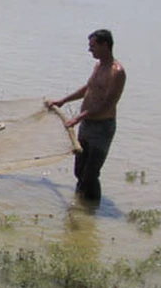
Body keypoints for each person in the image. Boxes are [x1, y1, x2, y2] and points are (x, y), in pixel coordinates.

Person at [46, 29, 126, 202]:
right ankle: (81, 207)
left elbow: (107, 103)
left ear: (105, 45)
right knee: (79, 171)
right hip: (87, 124)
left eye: (93, 46)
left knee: (90, 174)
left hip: (102, 127)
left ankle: (92, 209)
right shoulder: (98, 65)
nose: (90, 50)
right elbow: (88, 88)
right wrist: (63, 101)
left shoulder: (117, 72)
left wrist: (77, 118)